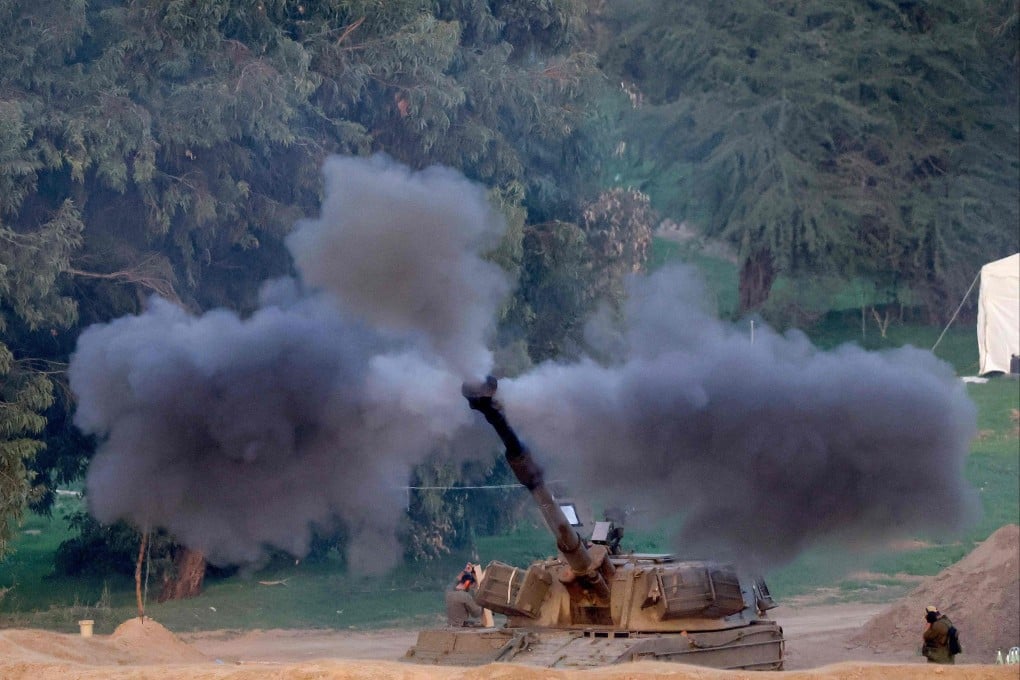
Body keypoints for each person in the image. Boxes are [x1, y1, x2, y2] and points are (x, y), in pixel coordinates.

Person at [445, 562, 483, 627]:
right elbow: (476, 613)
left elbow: (455, 581)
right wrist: (484, 606)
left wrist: (465, 571)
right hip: (460, 627)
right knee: (479, 624)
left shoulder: (448, 592)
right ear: (469, 584)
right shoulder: (465, 596)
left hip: (450, 625)